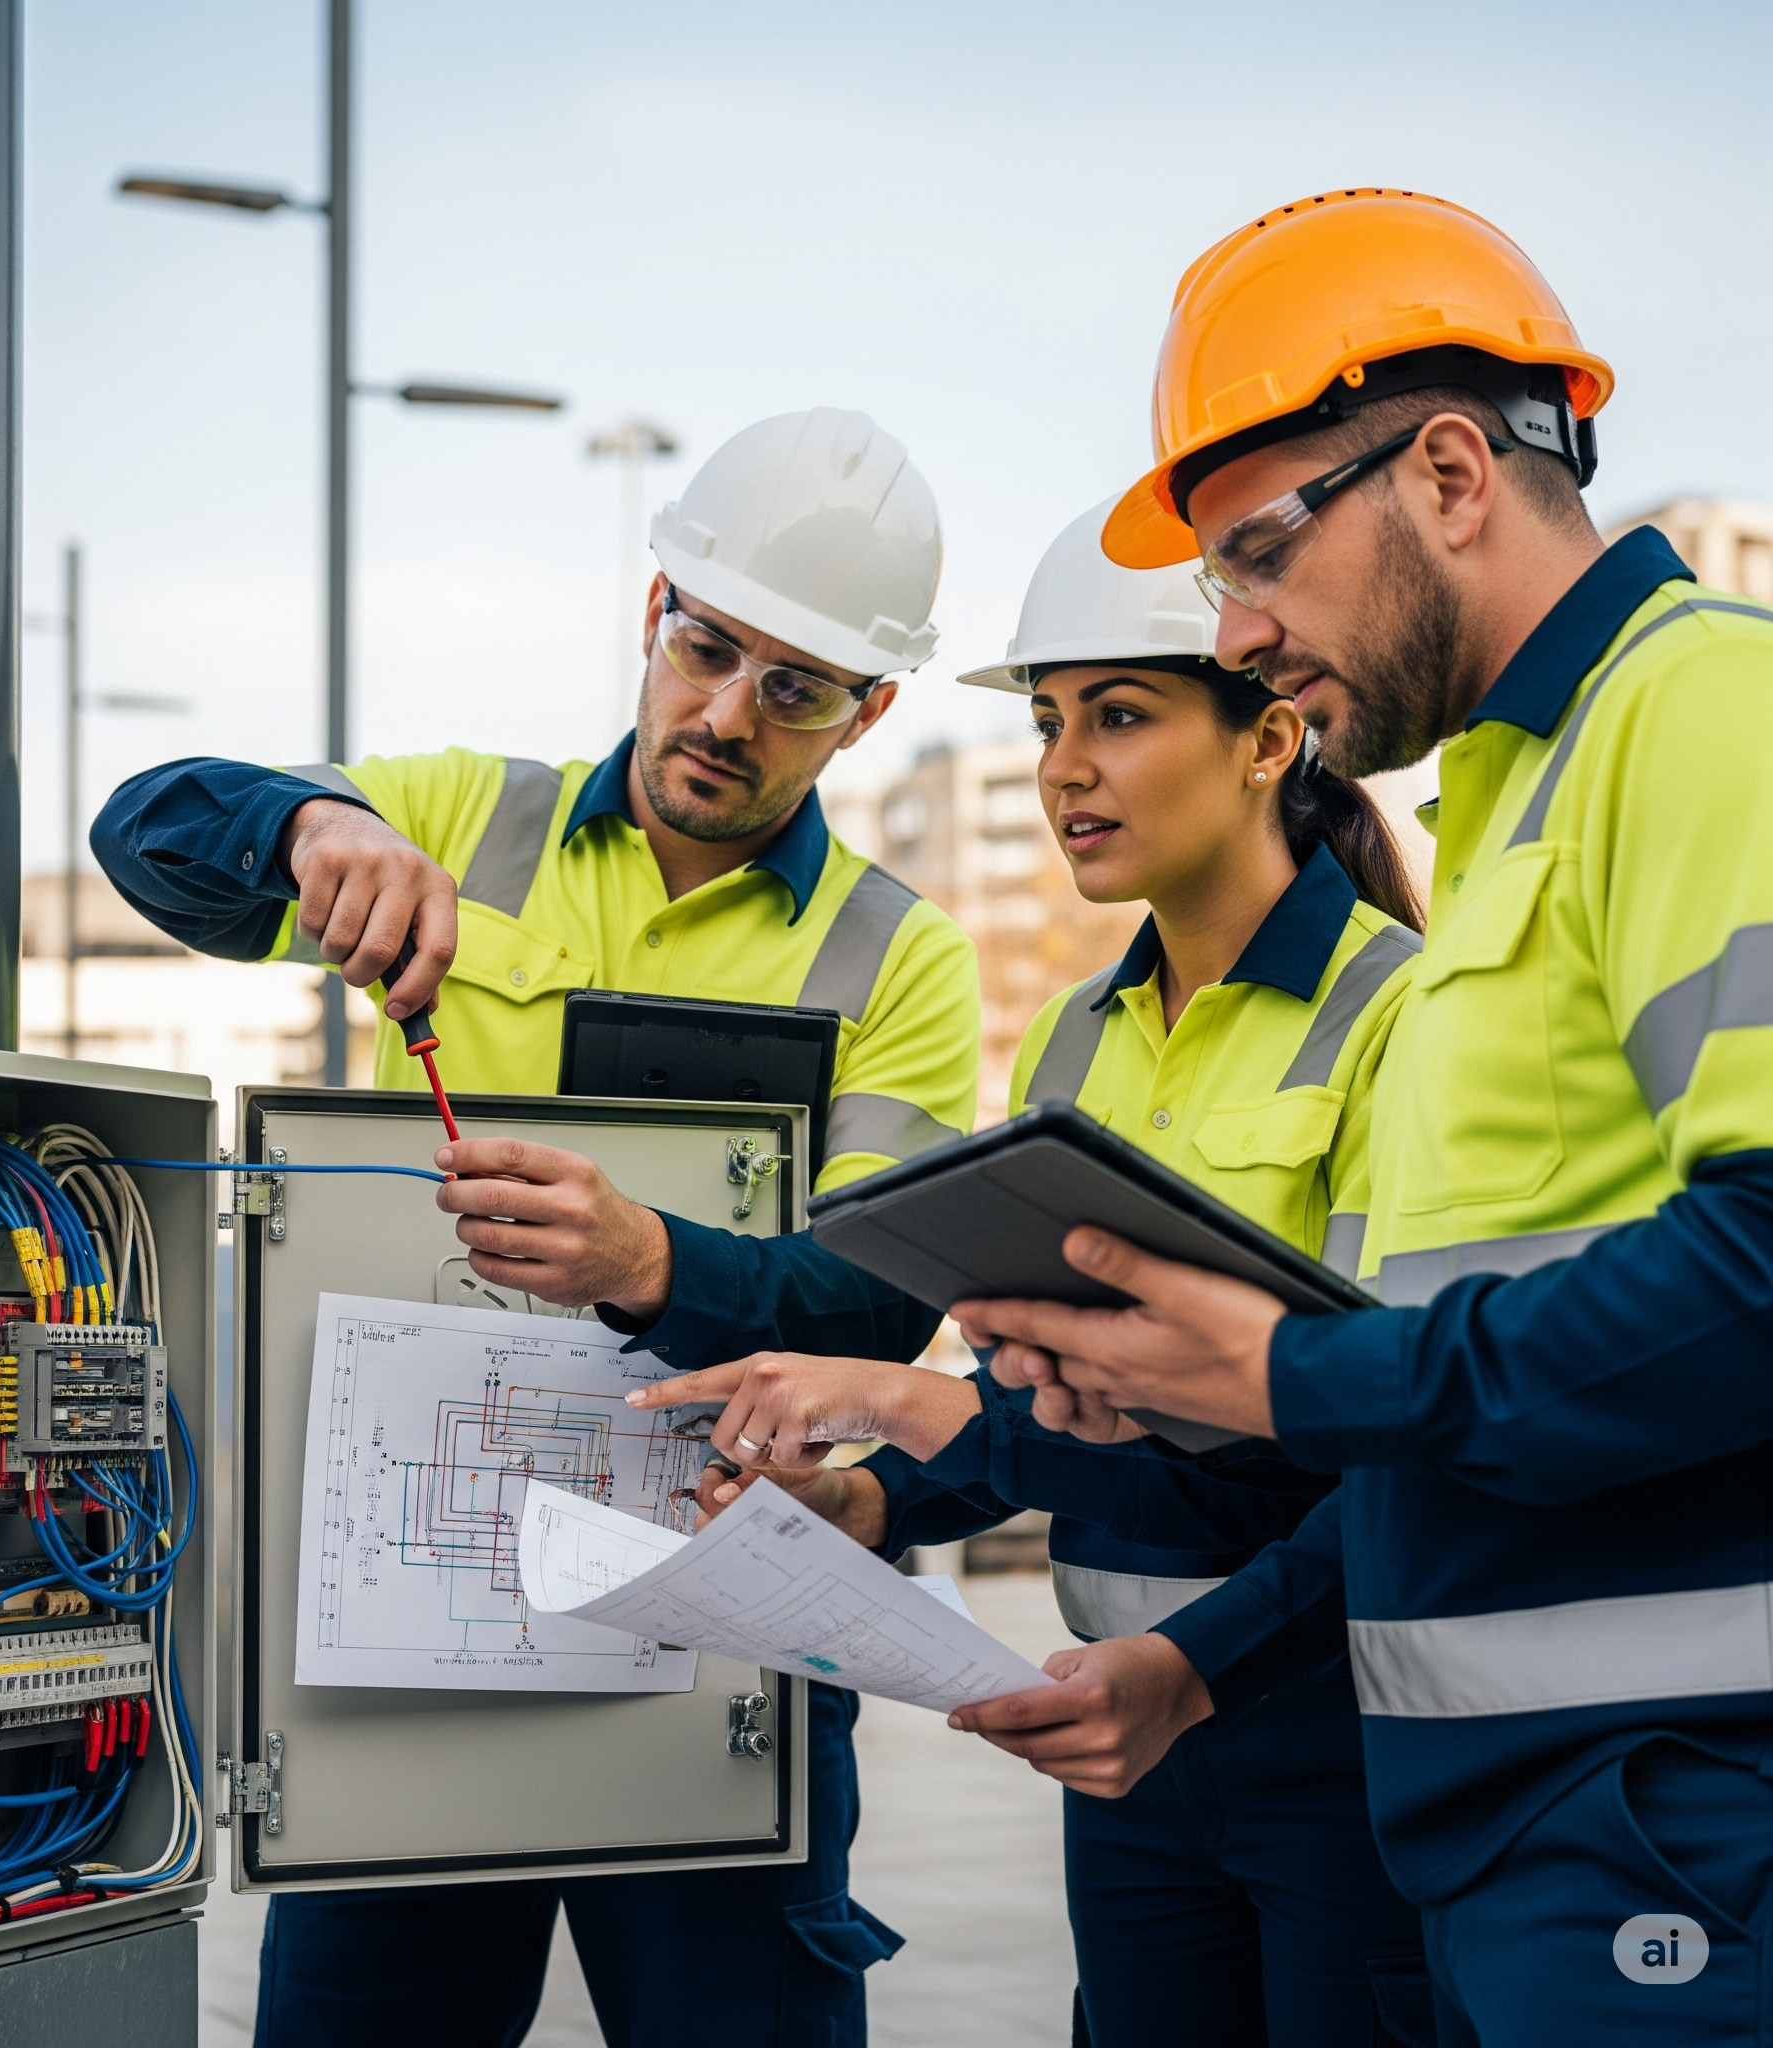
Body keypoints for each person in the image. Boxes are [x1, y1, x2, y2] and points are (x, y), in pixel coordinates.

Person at [955, 188, 1773, 2047]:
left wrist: (1293, 1380)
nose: (1239, 632)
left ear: (1455, 474)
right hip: (1526, 1827)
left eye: (1255, 553)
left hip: (1680, 1827)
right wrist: (1171, 1380)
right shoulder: (1506, 819)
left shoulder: (1708, 712)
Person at [91, 409, 981, 2048]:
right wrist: (307, 829)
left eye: (794, 690)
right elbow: (144, 829)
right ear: (654, 616)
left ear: (870, 715)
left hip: (730, 1647)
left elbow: (876, 1309)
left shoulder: (897, 958)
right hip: (409, 1661)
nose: (726, 715)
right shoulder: (455, 813)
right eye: (707, 650)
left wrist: (656, 1266)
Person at [638, 503, 1431, 2046]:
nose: (1063, 767)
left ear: (1271, 739)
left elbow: (1390, 1450)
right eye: (1053, 721)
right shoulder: (1077, 1034)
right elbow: (1046, 1394)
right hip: (1117, 1744)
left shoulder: (1404, 1020)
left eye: (1120, 717)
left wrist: (1191, 1668)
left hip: (1327, 1735)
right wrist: (870, 1503)